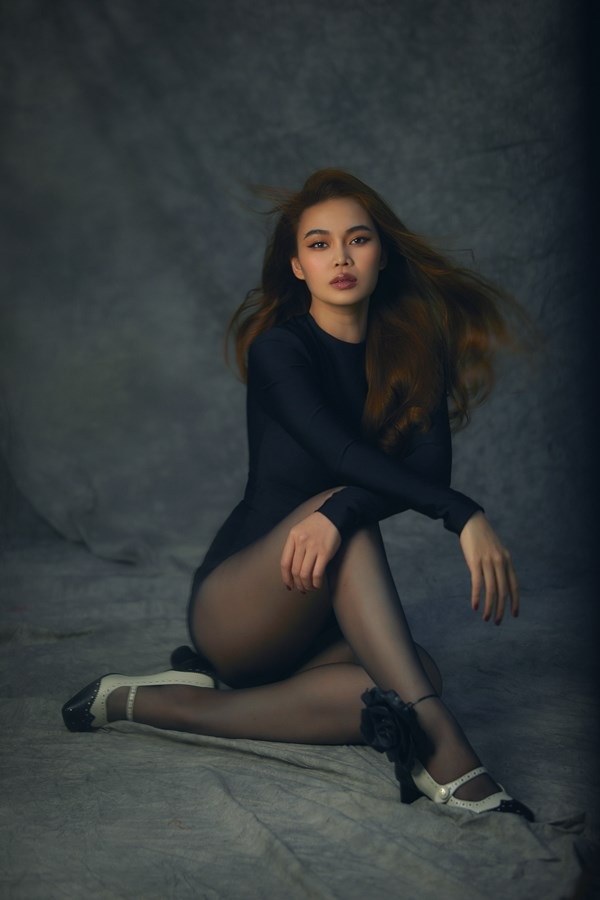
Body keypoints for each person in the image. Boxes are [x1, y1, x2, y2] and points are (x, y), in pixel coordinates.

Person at [62, 169, 534, 820]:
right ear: (297, 266)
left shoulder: (412, 350)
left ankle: (158, 703)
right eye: (319, 244)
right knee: (345, 508)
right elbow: (343, 458)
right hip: (240, 608)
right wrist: (463, 514)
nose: (340, 258)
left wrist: (350, 511)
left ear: (382, 254)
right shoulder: (280, 351)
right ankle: (443, 749)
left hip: (318, 624)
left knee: (415, 674)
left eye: (357, 239)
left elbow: (427, 468)